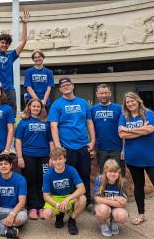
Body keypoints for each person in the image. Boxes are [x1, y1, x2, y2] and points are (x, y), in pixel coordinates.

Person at [48, 77, 95, 207]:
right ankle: (70, 202)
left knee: (85, 173)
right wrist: (58, 148)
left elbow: (89, 122)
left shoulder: (83, 103)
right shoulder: (56, 104)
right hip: (66, 147)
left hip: (83, 145)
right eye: (63, 85)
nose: (66, 87)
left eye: (68, 84)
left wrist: (93, 140)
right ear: (60, 89)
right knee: (68, 176)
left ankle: (86, 202)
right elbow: (53, 126)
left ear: (73, 86)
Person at [118, 91, 154, 225]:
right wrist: (142, 129)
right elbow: (121, 134)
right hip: (133, 158)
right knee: (138, 187)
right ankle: (141, 215)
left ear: (138, 100)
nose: (130, 103)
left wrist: (128, 130)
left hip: (151, 157)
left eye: (132, 100)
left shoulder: (148, 113)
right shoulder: (124, 116)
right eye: (127, 102)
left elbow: (150, 129)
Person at [15, 98, 53, 220]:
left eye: (38, 106)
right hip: (28, 155)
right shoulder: (23, 122)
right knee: (30, 181)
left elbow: (51, 141)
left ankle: (41, 206)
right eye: (34, 106)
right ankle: (32, 207)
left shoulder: (46, 122)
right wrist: (20, 157)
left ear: (41, 108)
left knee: (43, 181)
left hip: (44, 156)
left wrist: (52, 157)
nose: (36, 108)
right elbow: (18, 141)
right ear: (29, 107)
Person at [43, 147, 86, 235]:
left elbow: (82, 189)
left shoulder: (71, 170)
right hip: (55, 198)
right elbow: (46, 196)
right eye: (55, 160)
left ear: (65, 159)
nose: (58, 162)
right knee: (47, 214)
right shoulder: (48, 174)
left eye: (60, 159)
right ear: (51, 161)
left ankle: (72, 219)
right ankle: (59, 215)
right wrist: (57, 205)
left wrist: (67, 199)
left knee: (83, 198)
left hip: (68, 197)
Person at [90, 84, 124, 175]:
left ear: (110, 93)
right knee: (103, 175)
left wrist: (123, 149)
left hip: (117, 148)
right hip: (100, 149)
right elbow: (89, 128)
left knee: (119, 175)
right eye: (101, 93)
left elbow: (124, 129)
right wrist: (92, 147)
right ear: (97, 94)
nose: (104, 95)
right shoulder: (92, 110)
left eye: (106, 93)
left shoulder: (119, 108)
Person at [94, 159, 128, 237]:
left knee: (123, 215)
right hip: (102, 207)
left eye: (115, 172)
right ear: (105, 172)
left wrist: (104, 199)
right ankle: (102, 223)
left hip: (116, 209)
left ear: (119, 172)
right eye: (110, 171)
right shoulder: (99, 180)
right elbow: (97, 199)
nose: (113, 174)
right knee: (103, 210)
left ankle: (114, 221)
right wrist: (114, 197)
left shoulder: (122, 182)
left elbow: (123, 203)